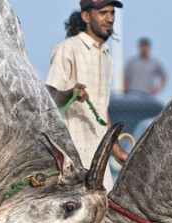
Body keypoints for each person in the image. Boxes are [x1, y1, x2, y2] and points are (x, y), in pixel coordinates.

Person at [46, 0, 128, 191]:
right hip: (72, 158)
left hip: (99, 158)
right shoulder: (68, 49)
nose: (109, 19)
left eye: (112, 13)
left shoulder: (107, 56)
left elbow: (101, 109)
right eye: (102, 13)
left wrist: (116, 150)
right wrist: (70, 94)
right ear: (86, 17)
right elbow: (49, 96)